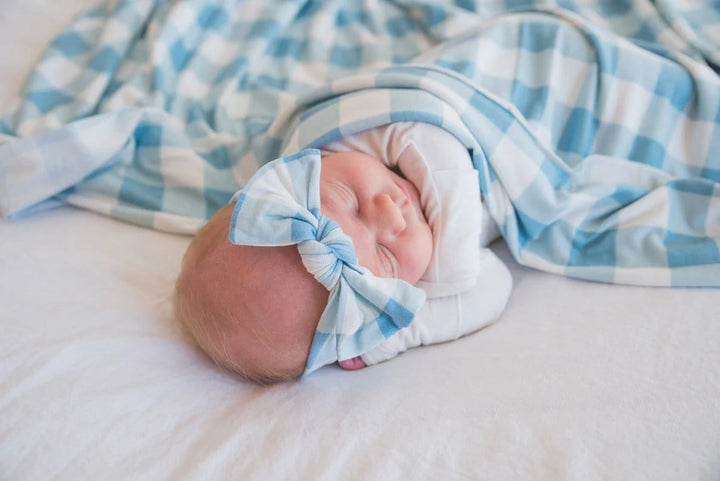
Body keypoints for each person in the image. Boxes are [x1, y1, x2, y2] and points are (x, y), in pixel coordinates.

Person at [174, 122, 512, 383]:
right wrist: (401, 329)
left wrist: (449, 264)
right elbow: (494, 283)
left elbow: (428, 131)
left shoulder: (345, 141)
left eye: (348, 199)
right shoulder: (402, 294)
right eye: (384, 255)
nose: (391, 213)